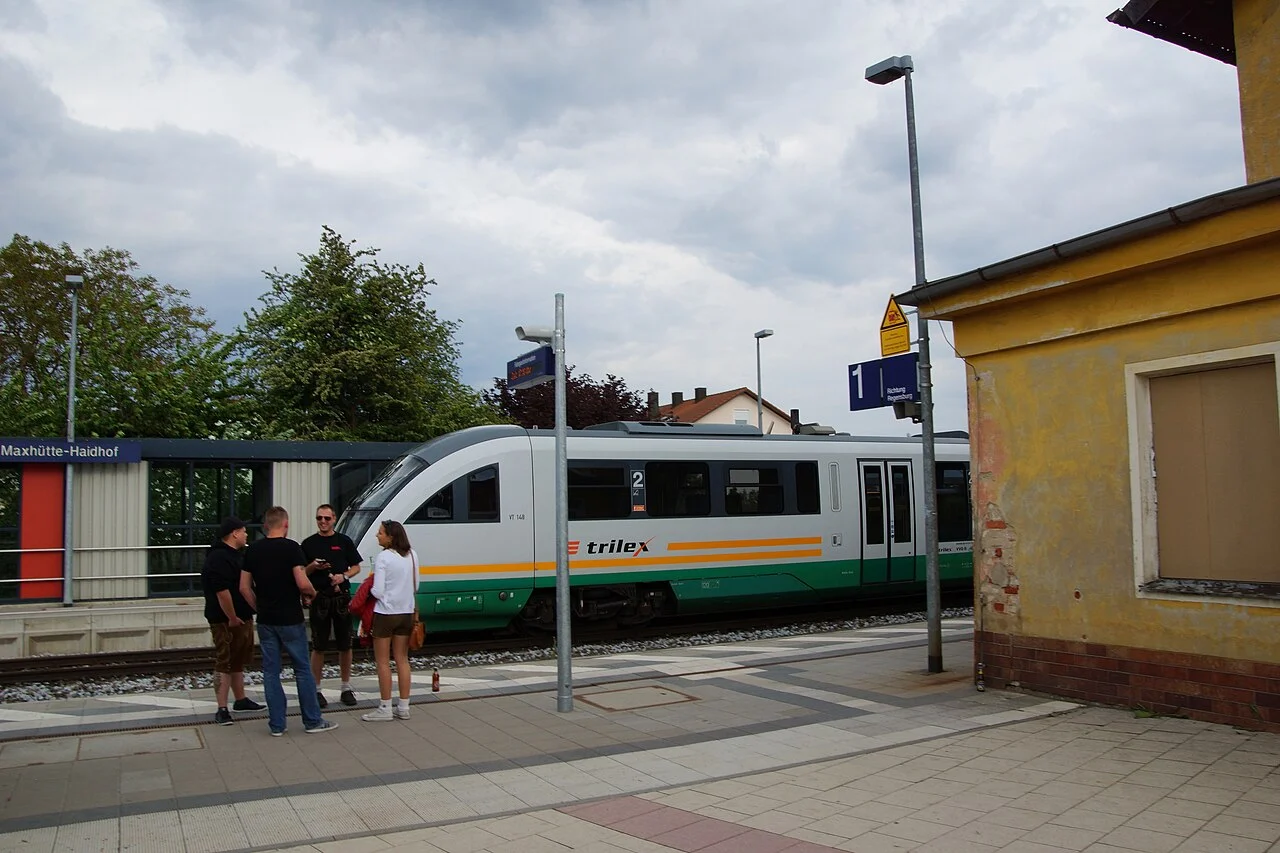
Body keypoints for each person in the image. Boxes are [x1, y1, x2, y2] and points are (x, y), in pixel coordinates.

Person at [239, 506, 339, 736]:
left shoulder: (253, 550)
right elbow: (303, 583)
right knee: (302, 669)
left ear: (266, 525)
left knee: (271, 672)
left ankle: (276, 725)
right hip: (290, 618)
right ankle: (313, 721)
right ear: (285, 524)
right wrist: (311, 594)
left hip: (266, 619)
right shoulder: (292, 548)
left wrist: (258, 607)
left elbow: (244, 587)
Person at [200, 516, 265, 725]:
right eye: (244, 531)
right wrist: (232, 617)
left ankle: (240, 699)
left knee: (237, 660)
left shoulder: (236, 555)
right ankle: (221, 708)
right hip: (225, 620)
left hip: (241, 617)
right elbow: (222, 592)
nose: (246, 535)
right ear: (234, 533)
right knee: (225, 661)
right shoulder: (219, 557)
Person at [301, 504, 363, 708]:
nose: (323, 522)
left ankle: (346, 687)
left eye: (327, 518)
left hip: (341, 597)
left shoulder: (343, 541)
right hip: (320, 599)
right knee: (318, 646)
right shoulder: (308, 544)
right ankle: (316, 689)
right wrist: (313, 566)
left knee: (345, 644)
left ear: (334, 519)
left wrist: (342, 575)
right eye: (319, 518)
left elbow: (356, 567)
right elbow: (301, 572)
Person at [362, 520, 417, 722]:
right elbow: (416, 584)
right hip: (406, 613)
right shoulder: (412, 554)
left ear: (390, 537)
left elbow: (377, 590)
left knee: (383, 662)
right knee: (402, 659)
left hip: (385, 614)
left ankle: (385, 707)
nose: (377, 535)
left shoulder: (383, 557)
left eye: (380, 533)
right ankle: (404, 706)